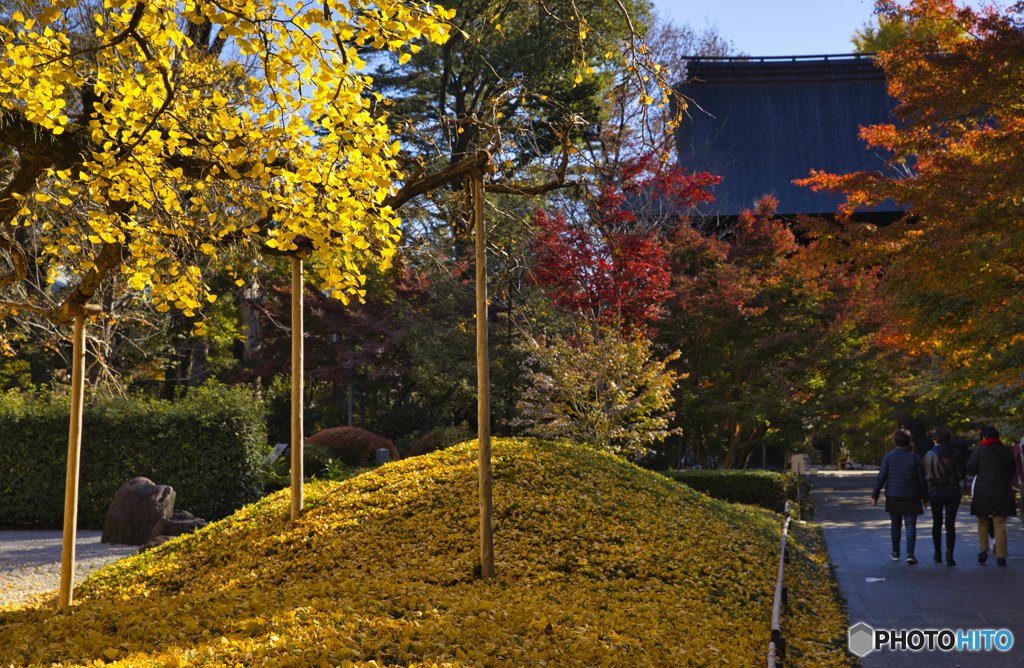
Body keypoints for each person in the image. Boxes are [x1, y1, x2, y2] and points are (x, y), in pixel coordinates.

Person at [873, 429, 930, 564]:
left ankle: (895, 552)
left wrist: (875, 495)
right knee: (911, 525)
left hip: (893, 495)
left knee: (895, 524)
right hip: (912, 495)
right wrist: (926, 498)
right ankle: (910, 553)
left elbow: (881, 477)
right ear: (909, 442)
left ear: (895, 441)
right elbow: (922, 480)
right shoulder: (914, 458)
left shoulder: (888, 457)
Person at [967, 425, 1016, 566]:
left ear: (983, 437)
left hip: (983, 491)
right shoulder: (1006, 451)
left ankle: (983, 549)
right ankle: (1001, 556)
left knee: (982, 521)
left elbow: (972, 470)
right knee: (1000, 525)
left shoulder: (978, 451)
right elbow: (1012, 470)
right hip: (1002, 491)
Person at [924, 428, 966, 566]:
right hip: (952, 491)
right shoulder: (955, 455)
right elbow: (961, 474)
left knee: (937, 523)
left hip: (935, 492)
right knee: (950, 524)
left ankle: (937, 553)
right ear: (949, 440)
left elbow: (925, 474)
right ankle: (950, 554)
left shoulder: (929, 455)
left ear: (935, 440)